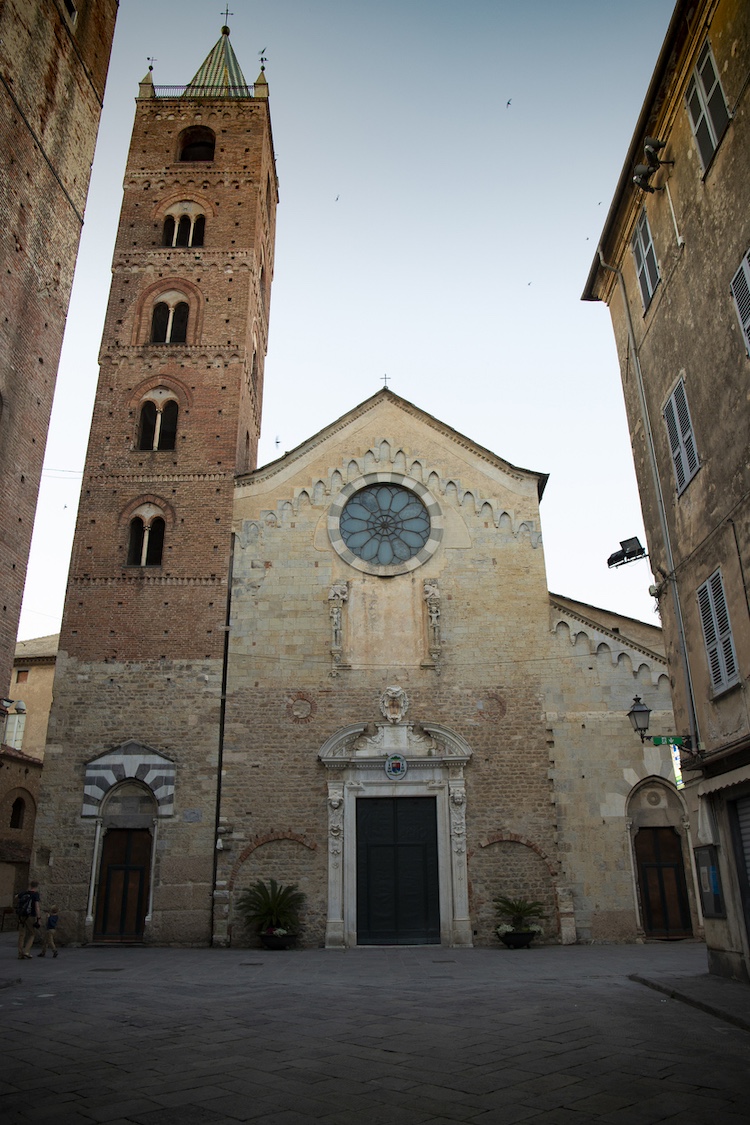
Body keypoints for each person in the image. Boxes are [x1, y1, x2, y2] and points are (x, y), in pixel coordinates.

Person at [17, 879, 41, 960]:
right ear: (36, 886)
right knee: (32, 933)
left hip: (21, 916)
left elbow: (16, 896)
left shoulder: (24, 893)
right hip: (30, 916)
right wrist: (39, 918)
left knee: (21, 934)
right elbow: (37, 907)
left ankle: (20, 953)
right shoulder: (35, 895)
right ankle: (26, 951)